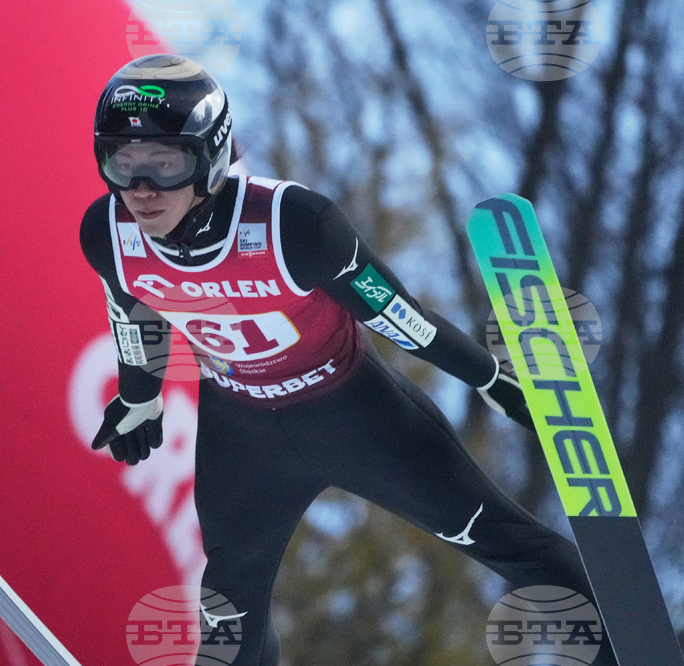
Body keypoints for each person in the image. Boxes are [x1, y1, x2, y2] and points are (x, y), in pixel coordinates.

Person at [80, 54, 615, 665]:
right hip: (242, 435)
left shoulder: (296, 225)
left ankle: (624, 649)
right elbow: (131, 309)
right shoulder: (108, 231)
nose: (142, 190)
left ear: (211, 157)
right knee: (228, 615)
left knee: (507, 542)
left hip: (355, 417)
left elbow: (400, 317)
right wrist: (140, 391)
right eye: (122, 163)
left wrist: (488, 376)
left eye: (165, 164)